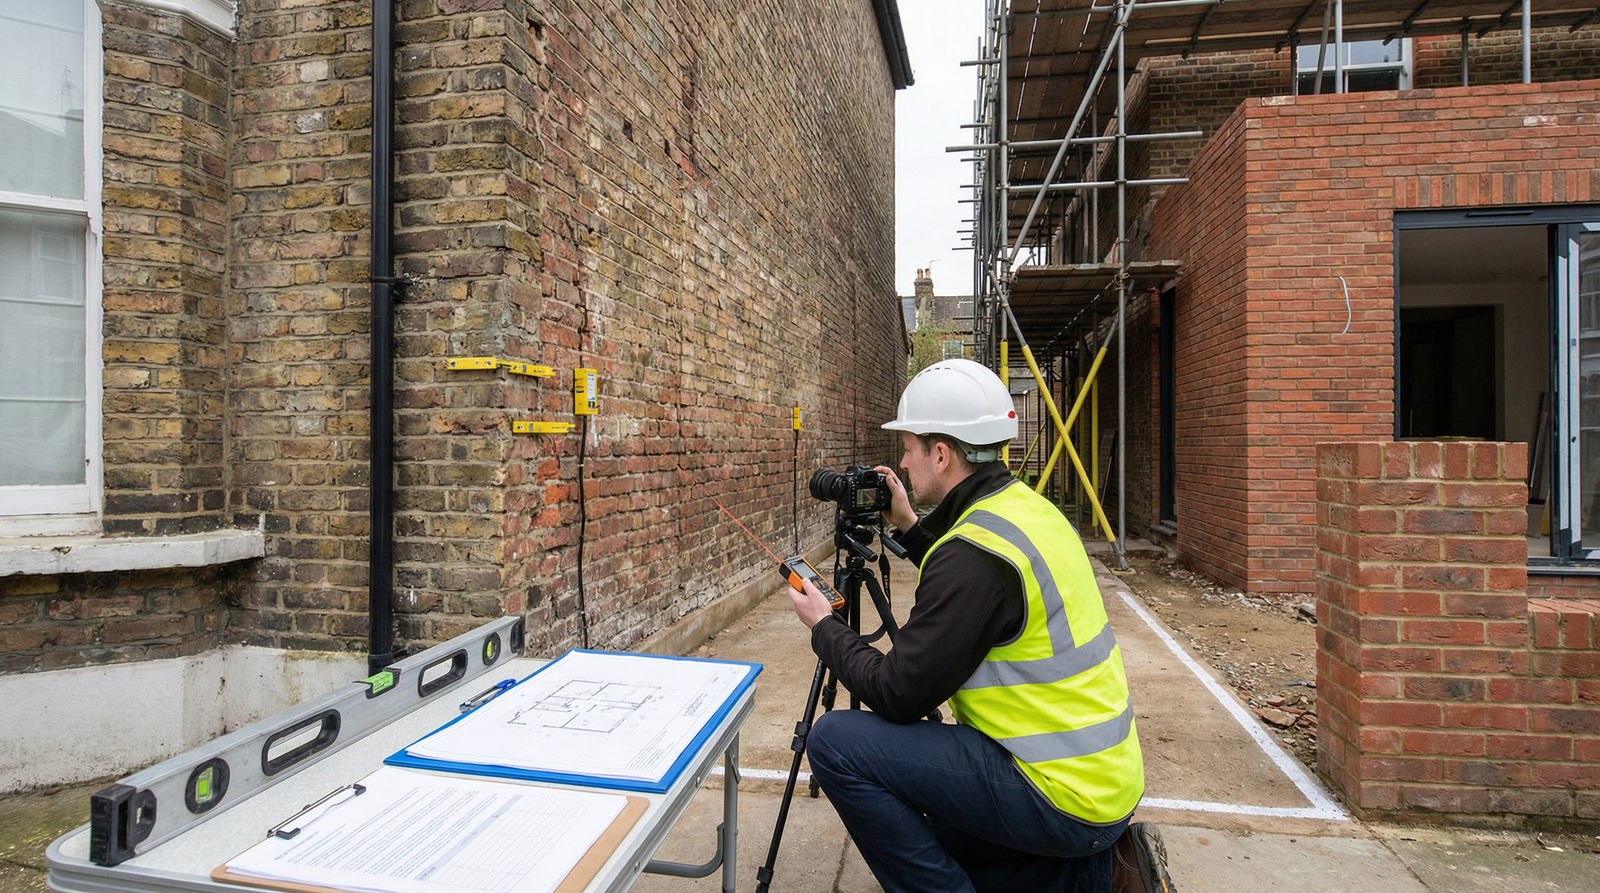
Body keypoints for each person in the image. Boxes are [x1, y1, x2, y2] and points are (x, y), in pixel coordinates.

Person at [783, 358, 1170, 893]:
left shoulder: (973, 556)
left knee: (835, 742)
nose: (903, 462)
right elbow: (976, 596)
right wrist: (909, 525)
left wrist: (825, 626)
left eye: (909, 448)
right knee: (938, 833)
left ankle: (1074, 863)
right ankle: (1094, 875)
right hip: (1101, 783)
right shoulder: (1027, 510)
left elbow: (898, 694)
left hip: (1059, 796)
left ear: (941, 454)